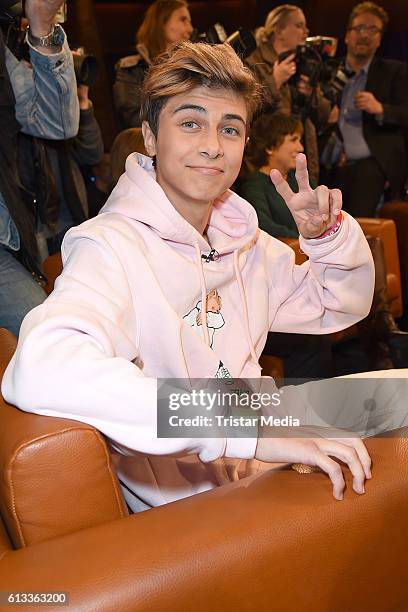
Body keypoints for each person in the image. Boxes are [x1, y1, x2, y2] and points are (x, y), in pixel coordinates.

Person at [2, 42, 375, 512]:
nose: (213, 145)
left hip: (260, 466)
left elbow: (336, 304)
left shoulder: (242, 241)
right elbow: (42, 367)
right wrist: (243, 430)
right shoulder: (110, 245)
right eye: (191, 123)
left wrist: (326, 240)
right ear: (151, 138)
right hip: (188, 516)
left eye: (230, 128)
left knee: (397, 404)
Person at [0, 0, 79, 336]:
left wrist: (43, 27)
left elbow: (57, 125)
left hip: (8, 242)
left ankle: (175, 390)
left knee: (58, 339)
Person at [323, 1, 408, 217]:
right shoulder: (328, 71)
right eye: (359, 28)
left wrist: (380, 108)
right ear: (347, 35)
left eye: (373, 30)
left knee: (358, 224)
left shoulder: (394, 72)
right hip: (329, 164)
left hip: (372, 164)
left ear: (380, 39)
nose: (365, 35)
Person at [245, 4, 331, 183]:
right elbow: (247, 109)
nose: (306, 32)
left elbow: (325, 115)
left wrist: (310, 94)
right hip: (264, 166)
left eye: (306, 26)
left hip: (300, 162)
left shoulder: (304, 64)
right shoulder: (254, 61)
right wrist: (274, 81)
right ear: (279, 30)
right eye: (299, 26)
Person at [19, 80, 104, 257]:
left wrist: (82, 103)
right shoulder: (14, 111)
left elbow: (92, 155)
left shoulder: (62, 113)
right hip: (32, 227)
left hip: (71, 218)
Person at [113, 0, 193, 129]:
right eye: (183, 20)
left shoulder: (191, 67)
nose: (190, 29)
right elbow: (134, 119)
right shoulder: (131, 68)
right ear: (162, 22)